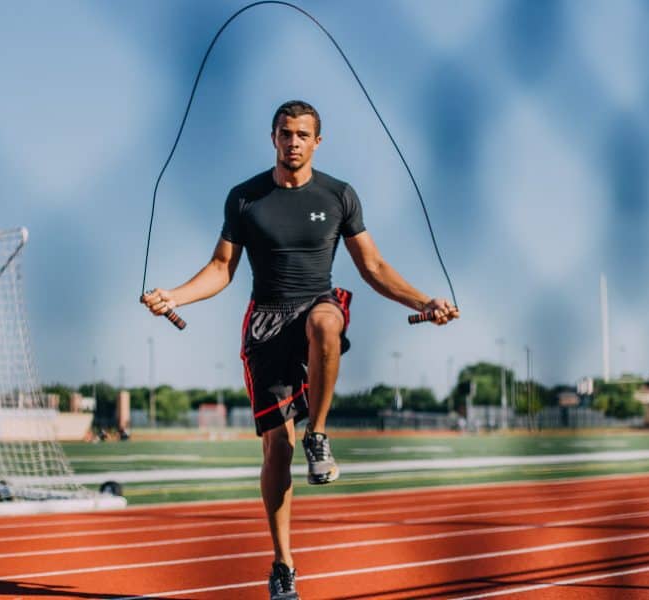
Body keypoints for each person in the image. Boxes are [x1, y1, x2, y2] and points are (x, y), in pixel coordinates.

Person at [141, 100, 458, 600]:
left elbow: (372, 266)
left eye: (303, 134)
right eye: (285, 133)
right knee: (276, 451)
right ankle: (283, 564)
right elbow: (222, 267)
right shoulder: (244, 198)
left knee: (327, 321)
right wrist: (174, 296)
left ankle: (320, 433)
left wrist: (426, 300)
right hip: (266, 321)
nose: (293, 142)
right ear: (273, 137)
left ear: (317, 141)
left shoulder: (339, 195)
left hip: (315, 304)